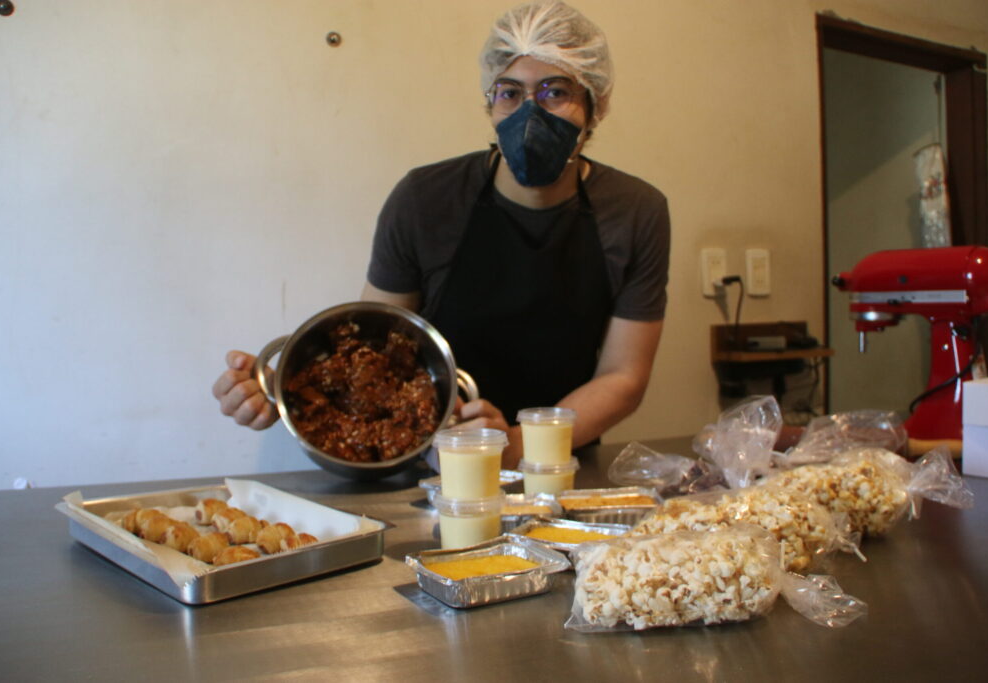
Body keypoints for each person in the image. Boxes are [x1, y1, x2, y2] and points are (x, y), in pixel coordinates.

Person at [213, 0, 670, 469]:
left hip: (556, 466)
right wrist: (284, 388)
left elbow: (622, 376)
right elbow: (373, 352)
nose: (529, 114)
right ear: (489, 102)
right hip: (430, 464)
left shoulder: (636, 211)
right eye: (509, 93)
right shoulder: (425, 200)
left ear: (595, 106)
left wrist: (512, 446)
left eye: (555, 92)